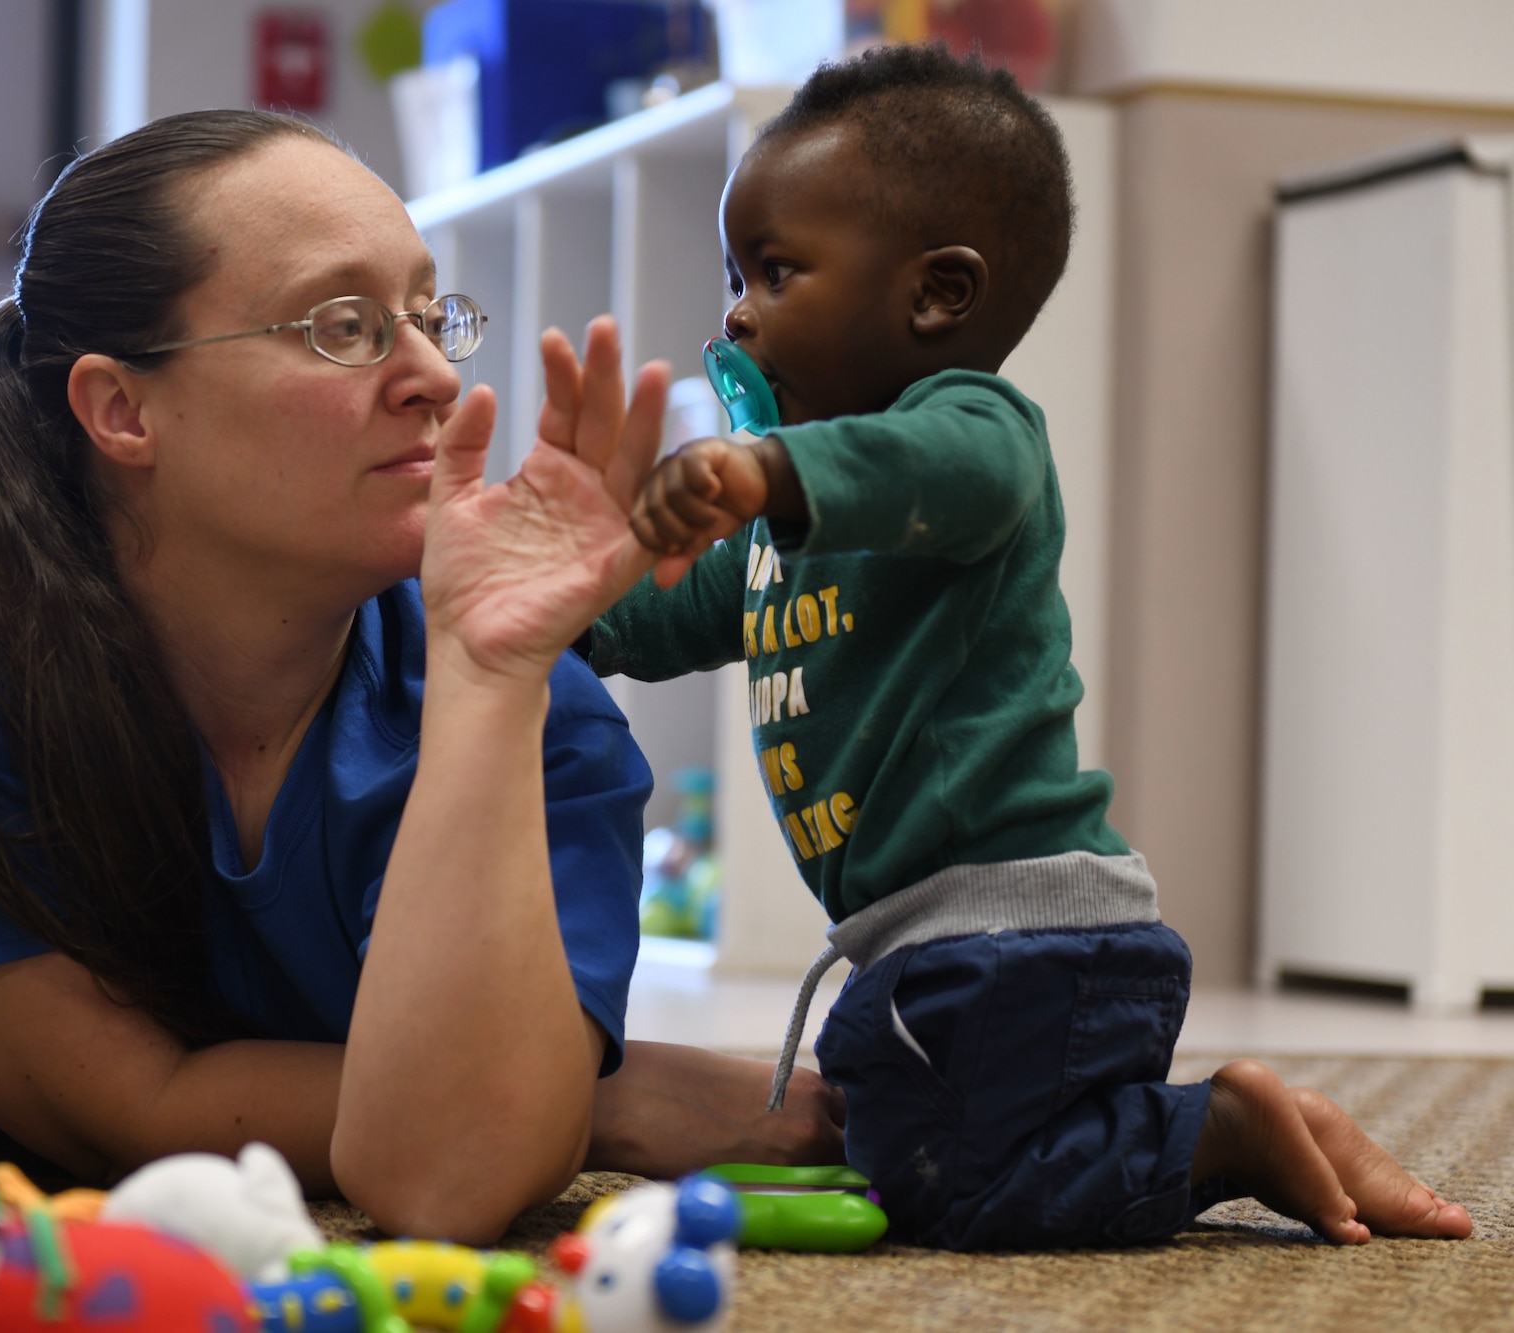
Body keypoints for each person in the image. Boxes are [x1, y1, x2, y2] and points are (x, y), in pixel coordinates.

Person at [0, 109, 845, 1244]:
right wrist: (576, 1103)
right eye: (343, 326)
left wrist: (488, 671)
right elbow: (130, 1107)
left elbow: (442, 1177)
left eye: (427, 316)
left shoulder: (532, 701)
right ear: (122, 409)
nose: (430, 375)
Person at [590, 46, 1473, 1249]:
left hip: (1019, 934)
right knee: (885, 1122)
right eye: (732, 276)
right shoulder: (779, 535)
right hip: (950, 946)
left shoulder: (973, 429)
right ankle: (1158, 1118)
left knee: (947, 1186)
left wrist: (765, 468)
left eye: (775, 272)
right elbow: (660, 616)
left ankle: (1216, 1132)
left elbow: (938, 472)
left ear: (936, 296)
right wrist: (562, 608)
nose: (737, 313)